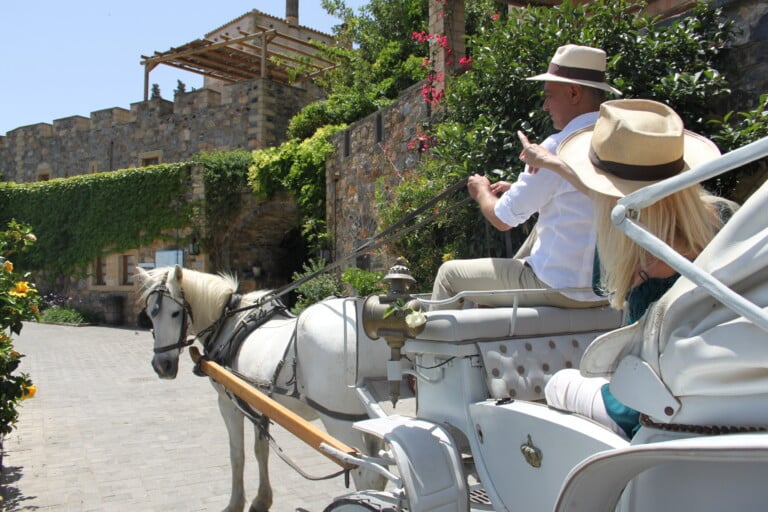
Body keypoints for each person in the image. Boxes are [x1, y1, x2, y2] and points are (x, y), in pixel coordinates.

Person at [518, 98, 736, 439]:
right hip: (724, 398)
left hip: (648, 408)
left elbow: (610, 292)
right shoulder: (726, 222)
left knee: (559, 384)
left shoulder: (626, 249)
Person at [430, 44, 621, 310]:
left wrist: (481, 190)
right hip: (603, 289)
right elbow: (581, 199)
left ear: (574, 92)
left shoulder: (557, 146)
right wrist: (517, 188)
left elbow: (502, 219)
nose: (545, 106)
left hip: (557, 285)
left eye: (550, 96)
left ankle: (433, 352)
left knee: (449, 274)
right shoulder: (618, 142)